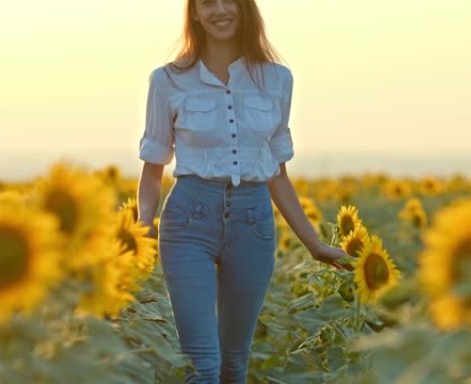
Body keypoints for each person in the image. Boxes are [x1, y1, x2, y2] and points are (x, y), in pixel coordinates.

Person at [136, 0, 352, 382]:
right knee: (201, 365)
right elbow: (153, 168)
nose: (220, 10)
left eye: (229, 0)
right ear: (195, 14)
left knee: (234, 363)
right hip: (188, 221)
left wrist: (314, 244)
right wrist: (144, 224)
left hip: (252, 224)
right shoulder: (167, 80)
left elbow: (277, 174)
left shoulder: (277, 79)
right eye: (208, 3)